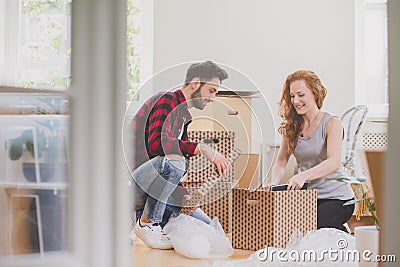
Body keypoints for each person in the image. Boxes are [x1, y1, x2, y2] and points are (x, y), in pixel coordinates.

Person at [130, 61, 232, 249]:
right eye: (211, 90)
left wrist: (184, 198)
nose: (213, 97)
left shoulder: (184, 117)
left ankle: (152, 221)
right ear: (195, 83)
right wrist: (203, 148)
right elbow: (156, 146)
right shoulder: (166, 100)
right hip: (131, 187)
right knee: (175, 162)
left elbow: (168, 174)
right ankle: (148, 223)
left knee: (210, 230)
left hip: (150, 192)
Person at [266, 70, 354, 231]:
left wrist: (303, 176)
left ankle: (341, 234)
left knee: (309, 228)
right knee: (286, 229)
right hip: (307, 198)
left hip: (337, 199)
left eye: (301, 95)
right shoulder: (292, 126)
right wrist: (273, 182)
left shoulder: (332, 123)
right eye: (292, 96)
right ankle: (334, 230)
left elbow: (334, 162)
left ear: (315, 93)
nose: (295, 101)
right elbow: (281, 159)